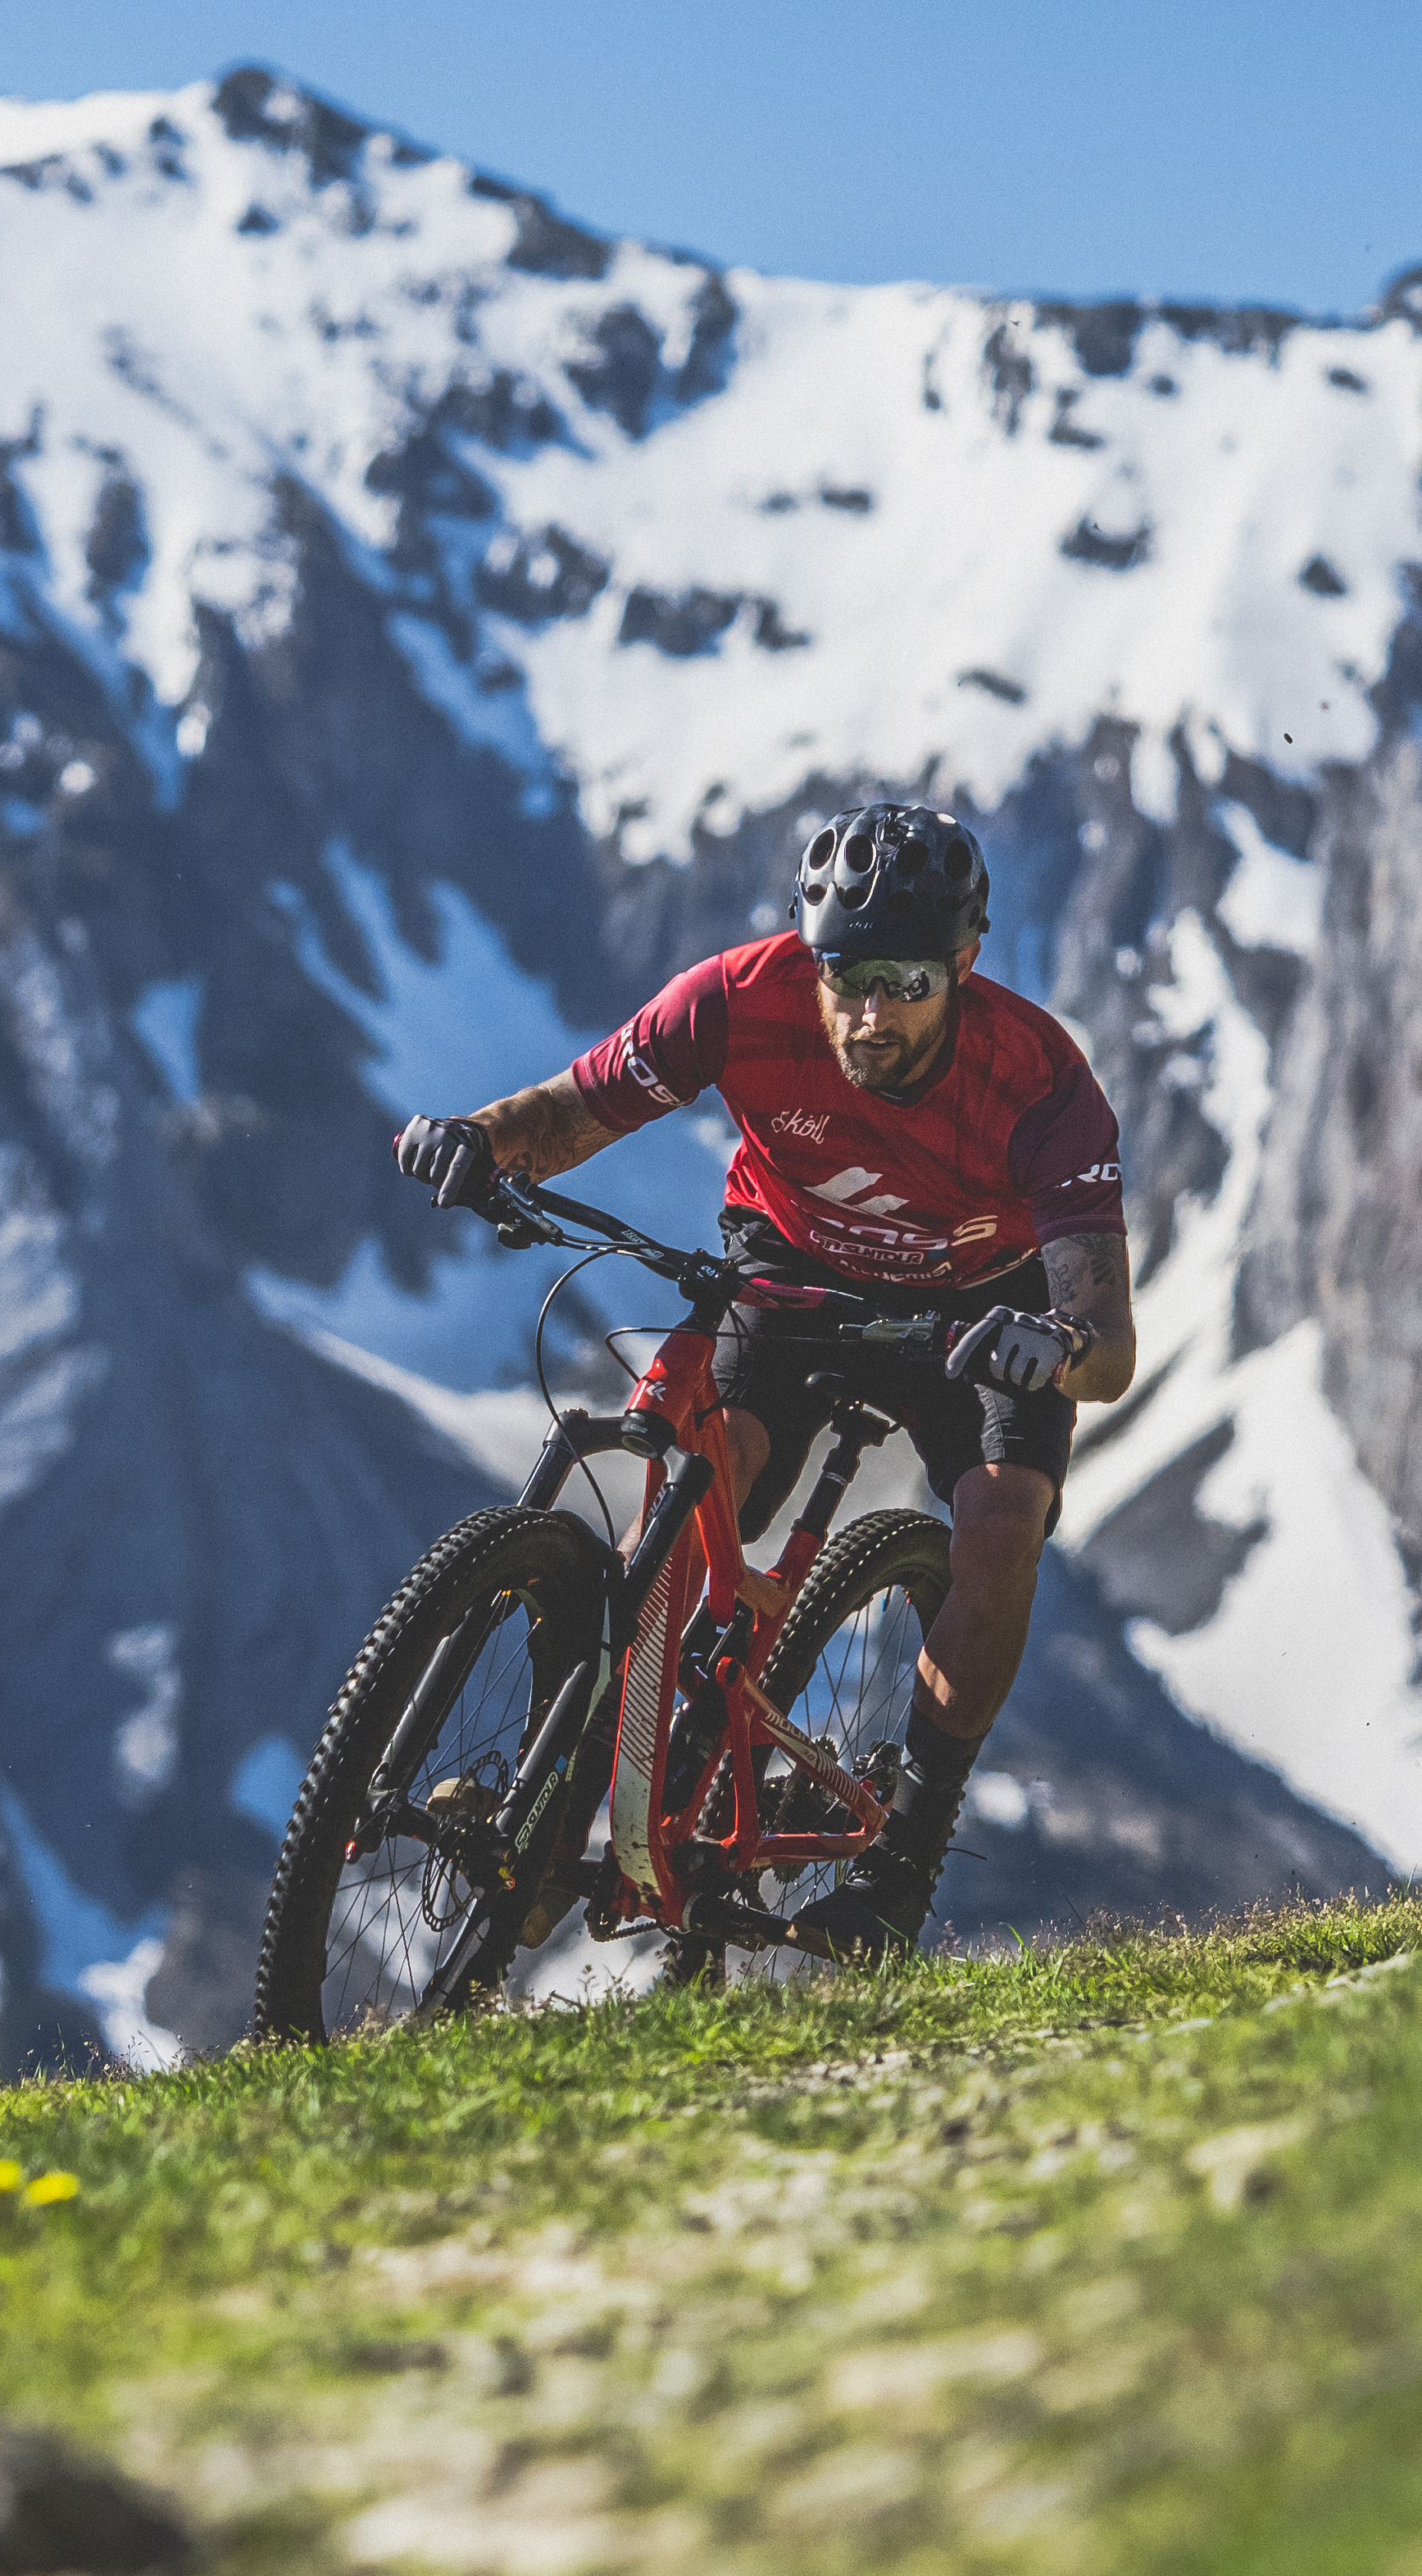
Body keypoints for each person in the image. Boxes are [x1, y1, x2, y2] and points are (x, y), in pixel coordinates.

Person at [390, 803, 1134, 1958]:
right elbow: (573, 1110)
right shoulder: (737, 999)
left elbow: (1109, 1342)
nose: (869, 1013)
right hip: (791, 1277)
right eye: (846, 974)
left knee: (1002, 1520)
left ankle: (901, 1865)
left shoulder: (1038, 1080)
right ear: (807, 950)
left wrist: (1061, 1349)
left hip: (986, 1309)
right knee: (695, 1477)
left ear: (967, 966)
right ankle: (555, 1813)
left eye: (907, 981)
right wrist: (478, 1138)